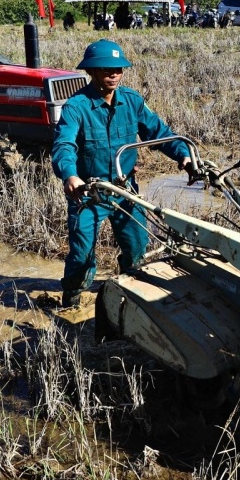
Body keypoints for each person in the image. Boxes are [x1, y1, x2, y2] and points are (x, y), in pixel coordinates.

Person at [51, 39, 192, 308]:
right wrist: (70, 175)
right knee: (82, 255)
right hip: (89, 194)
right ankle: (72, 299)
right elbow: (64, 144)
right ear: (91, 71)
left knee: (137, 247)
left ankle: (128, 293)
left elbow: (159, 134)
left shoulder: (132, 101)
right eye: (106, 69)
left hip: (126, 191)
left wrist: (184, 155)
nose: (113, 74)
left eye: (118, 68)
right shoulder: (76, 107)